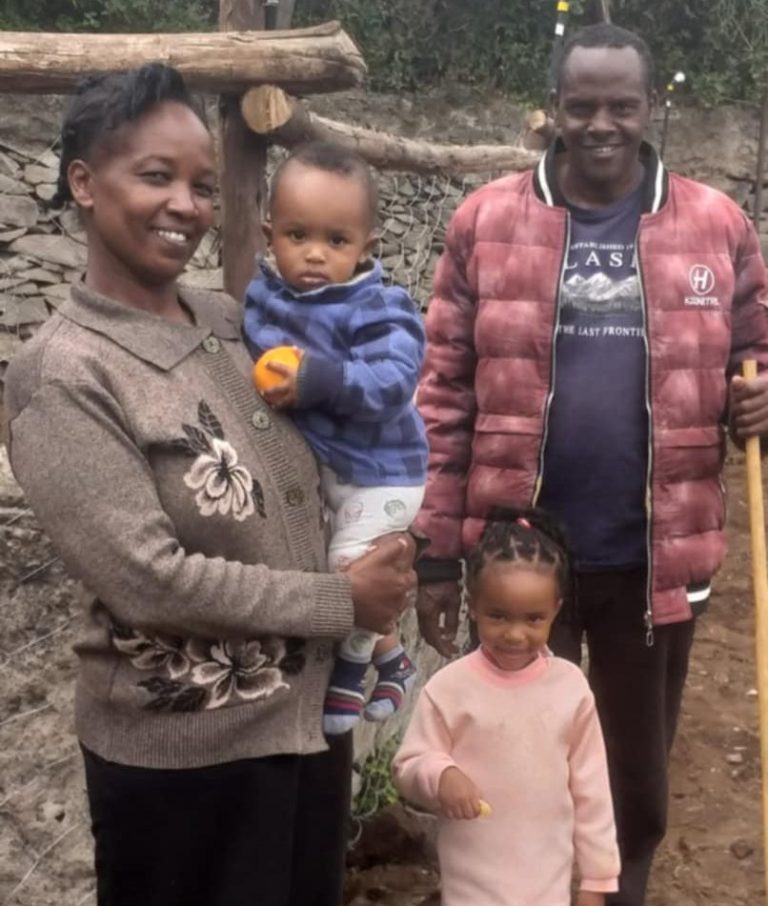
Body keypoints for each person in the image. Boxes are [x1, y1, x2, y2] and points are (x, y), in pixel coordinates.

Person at [3, 65, 416, 906]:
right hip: (185, 759)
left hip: (300, 729)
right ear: (83, 182)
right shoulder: (67, 373)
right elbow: (148, 580)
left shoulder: (231, 322)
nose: (186, 206)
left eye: (200, 184)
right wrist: (344, 603)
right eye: (155, 176)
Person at [414, 22, 768, 906]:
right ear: (553, 113)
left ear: (652, 108)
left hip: (657, 556)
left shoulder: (718, 226)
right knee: (513, 754)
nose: (602, 123)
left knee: (633, 769)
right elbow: (444, 393)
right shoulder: (486, 222)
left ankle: (617, 891)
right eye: (583, 105)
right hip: (516, 559)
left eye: (622, 104)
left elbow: (756, 351)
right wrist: (432, 551)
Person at [243, 141, 428, 735]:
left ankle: (350, 675)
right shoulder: (263, 299)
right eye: (298, 236)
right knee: (328, 560)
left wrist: (318, 378)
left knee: (353, 570)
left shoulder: (379, 308)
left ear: (366, 247)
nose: (316, 255)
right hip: (328, 471)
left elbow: (394, 383)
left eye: (337, 241)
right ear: (269, 236)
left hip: (384, 473)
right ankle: (393, 660)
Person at [394, 509, 620, 905]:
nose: (515, 635)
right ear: (473, 604)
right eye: (498, 616)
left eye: (534, 619)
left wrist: (597, 880)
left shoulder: (569, 689)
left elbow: (593, 792)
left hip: (547, 885)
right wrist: (440, 774)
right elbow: (409, 765)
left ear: (556, 609)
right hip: (472, 886)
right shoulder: (450, 689)